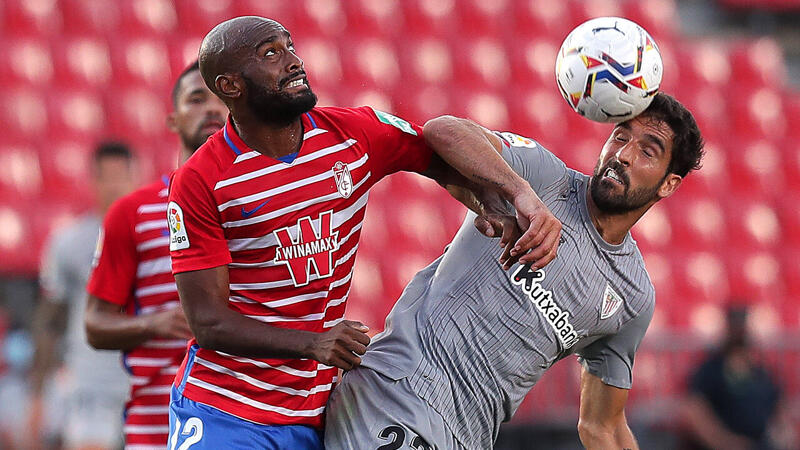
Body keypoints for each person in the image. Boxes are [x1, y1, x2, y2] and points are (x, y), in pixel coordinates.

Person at [166, 16, 559, 450]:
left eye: (290, 46)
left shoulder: (351, 134)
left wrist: (497, 200)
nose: (295, 62)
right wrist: (313, 344)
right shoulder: (201, 180)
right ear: (231, 86)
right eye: (271, 54)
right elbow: (208, 322)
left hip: (316, 414)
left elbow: (440, 150)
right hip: (226, 410)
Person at [324, 92, 706, 449]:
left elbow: (602, 425)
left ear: (669, 184)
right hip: (398, 393)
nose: (623, 155)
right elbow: (442, 131)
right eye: (620, 137)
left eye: (647, 151)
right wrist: (519, 193)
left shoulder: (631, 296)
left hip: (468, 436)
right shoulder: (545, 179)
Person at [84, 61, 227, 450]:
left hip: (241, 421)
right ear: (172, 119)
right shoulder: (132, 213)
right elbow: (94, 325)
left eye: (221, 99)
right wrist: (155, 323)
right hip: (156, 426)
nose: (212, 108)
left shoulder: (264, 206)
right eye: (196, 99)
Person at [27, 142, 135, 450]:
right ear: (93, 181)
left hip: (146, 383)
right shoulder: (68, 242)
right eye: (106, 177)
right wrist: (38, 393)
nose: (114, 185)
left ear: (135, 177)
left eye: (121, 175)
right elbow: (51, 320)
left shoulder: (160, 236)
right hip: (91, 386)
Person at [681, 305, 797, 450]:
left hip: (760, 443)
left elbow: (778, 406)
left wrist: (784, 433)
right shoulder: (710, 370)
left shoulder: (761, 371)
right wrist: (725, 442)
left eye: (743, 325)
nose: (740, 331)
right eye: (736, 325)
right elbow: (694, 411)